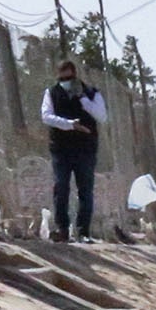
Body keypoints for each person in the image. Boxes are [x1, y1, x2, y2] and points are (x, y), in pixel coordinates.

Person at [37, 57, 106, 243]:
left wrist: (83, 99)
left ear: (76, 76)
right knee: (61, 187)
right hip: (61, 149)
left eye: (69, 78)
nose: (66, 83)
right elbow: (47, 116)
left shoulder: (92, 93)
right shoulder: (51, 93)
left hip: (85, 149)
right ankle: (62, 229)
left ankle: (83, 231)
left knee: (85, 190)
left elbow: (102, 116)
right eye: (62, 79)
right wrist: (69, 125)